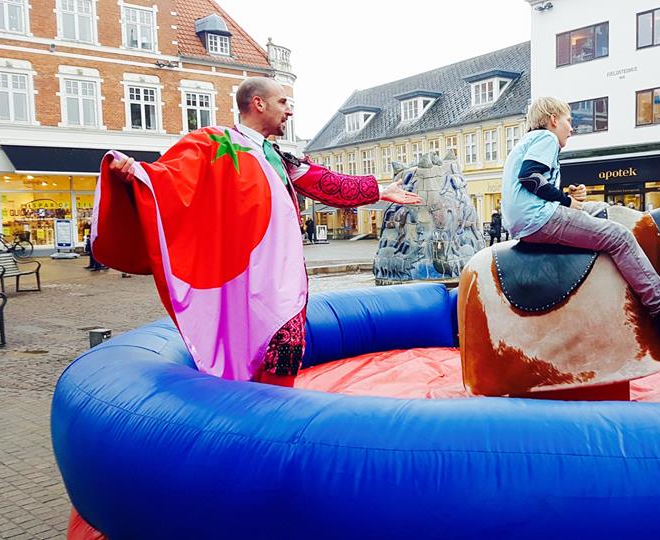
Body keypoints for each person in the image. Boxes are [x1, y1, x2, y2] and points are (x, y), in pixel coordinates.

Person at [94, 77, 422, 384]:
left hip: (282, 277)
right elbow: (170, 177)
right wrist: (132, 173)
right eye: (283, 102)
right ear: (258, 103)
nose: (289, 111)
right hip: (243, 276)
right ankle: (247, 407)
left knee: (287, 343)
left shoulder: (279, 156)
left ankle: (275, 405)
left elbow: (324, 182)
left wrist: (380, 191)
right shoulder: (216, 142)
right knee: (248, 342)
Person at [501, 97, 660, 337]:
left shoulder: (527, 142)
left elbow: (530, 185)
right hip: (539, 218)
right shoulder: (546, 138)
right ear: (553, 120)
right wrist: (566, 201)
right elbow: (530, 177)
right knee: (619, 236)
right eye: (569, 120)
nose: (572, 128)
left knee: (599, 208)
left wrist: (569, 196)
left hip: (525, 220)